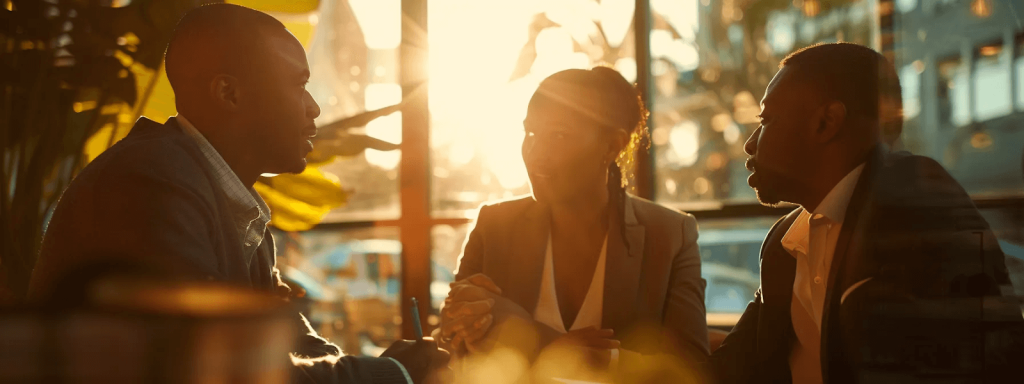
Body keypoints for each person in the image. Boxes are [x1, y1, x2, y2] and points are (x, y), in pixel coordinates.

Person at [28, 4, 447, 384]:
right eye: (299, 85)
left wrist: (395, 368)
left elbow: (292, 344)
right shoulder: (150, 184)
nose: (313, 107)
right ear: (229, 93)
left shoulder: (225, 198)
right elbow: (227, 367)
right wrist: (394, 373)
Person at [709, 42, 1023, 383]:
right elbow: (730, 367)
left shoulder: (919, 204)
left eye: (766, 119)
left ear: (826, 123)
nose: (750, 143)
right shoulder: (783, 247)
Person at [437, 67, 709, 379]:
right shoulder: (494, 225)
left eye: (559, 135)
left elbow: (692, 369)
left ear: (612, 146)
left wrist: (536, 338)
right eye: (531, 134)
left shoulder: (670, 235)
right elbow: (453, 349)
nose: (536, 153)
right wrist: (457, 323)